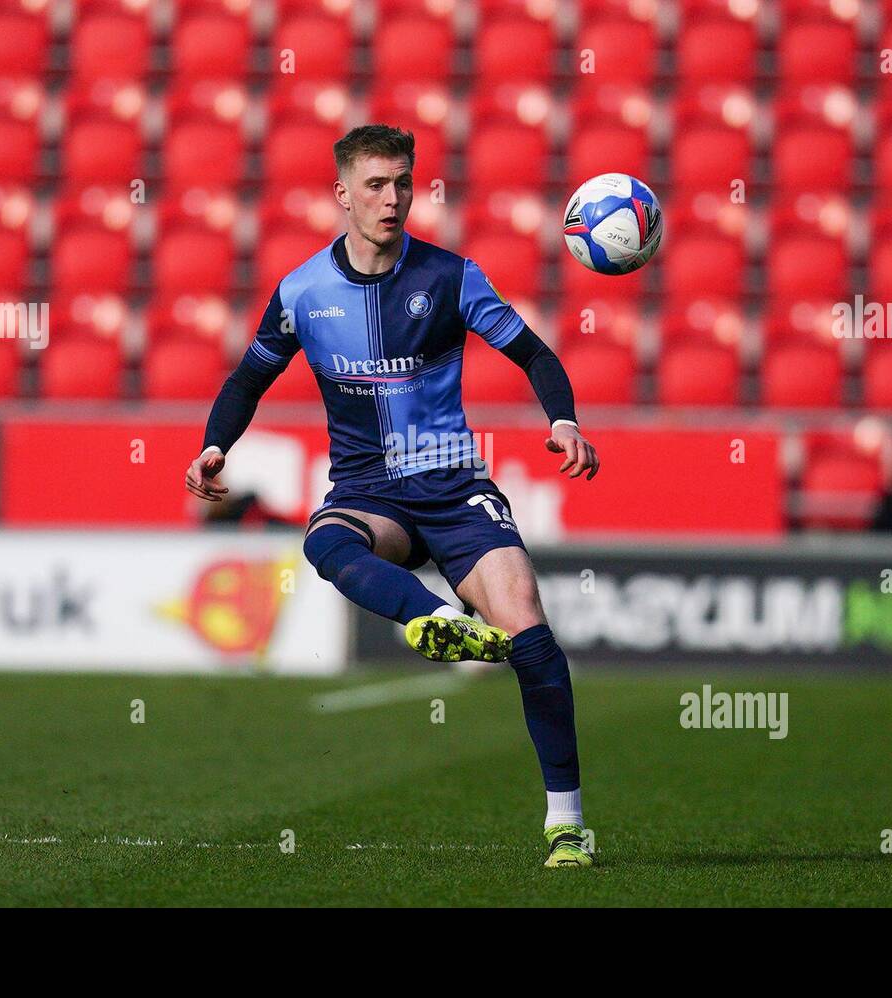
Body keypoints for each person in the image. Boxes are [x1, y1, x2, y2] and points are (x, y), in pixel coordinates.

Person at [185, 125, 598, 868]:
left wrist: (563, 420)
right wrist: (217, 443)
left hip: (451, 481)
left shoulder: (450, 276)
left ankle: (565, 823)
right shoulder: (304, 291)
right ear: (343, 194)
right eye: (376, 184)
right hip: (371, 487)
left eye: (404, 182)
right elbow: (249, 377)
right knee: (324, 540)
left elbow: (532, 352)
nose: (393, 197)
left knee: (532, 636)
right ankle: (434, 619)